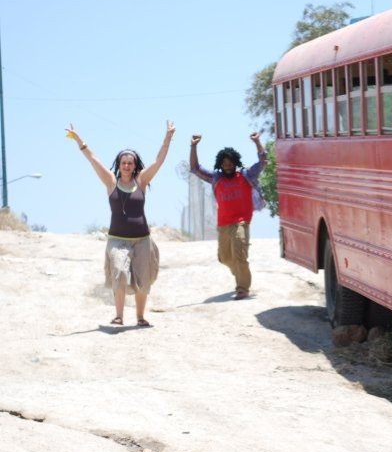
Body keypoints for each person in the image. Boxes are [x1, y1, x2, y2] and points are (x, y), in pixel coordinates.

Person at [65, 121, 175, 326]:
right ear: (119, 164)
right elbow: (93, 159)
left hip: (142, 240)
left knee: (144, 278)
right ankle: (119, 316)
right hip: (117, 240)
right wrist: (78, 140)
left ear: (135, 165)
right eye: (123, 162)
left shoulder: (141, 181)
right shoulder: (110, 182)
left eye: (130, 163)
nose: (126, 166)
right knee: (120, 273)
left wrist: (168, 137)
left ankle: (141, 317)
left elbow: (158, 161)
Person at [189, 132, 267, 300]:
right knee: (224, 258)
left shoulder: (246, 176)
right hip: (223, 224)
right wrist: (194, 146)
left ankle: (242, 288)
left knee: (240, 254)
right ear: (220, 165)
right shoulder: (216, 178)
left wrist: (257, 142)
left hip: (241, 222)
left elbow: (263, 161)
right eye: (224, 164)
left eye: (230, 163)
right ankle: (237, 271)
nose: (228, 166)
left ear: (235, 162)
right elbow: (195, 168)